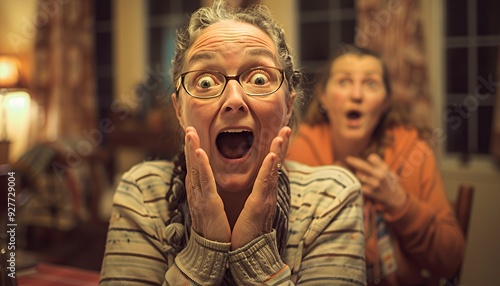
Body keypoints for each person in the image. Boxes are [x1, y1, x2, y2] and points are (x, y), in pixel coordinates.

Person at [99, 2, 366, 285]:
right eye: (205, 82)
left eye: (259, 78)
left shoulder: (330, 200)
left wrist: (256, 252)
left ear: (288, 106)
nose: (234, 100)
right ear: (179, 110)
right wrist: (203, 250)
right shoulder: (143, 194)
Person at [287, 45, 465, 285]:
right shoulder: (296, 148)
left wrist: (400, 203)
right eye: (344, 82)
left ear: (385, 103)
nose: (357, 94)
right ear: (324, 97)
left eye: (371, 84)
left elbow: (450, 259)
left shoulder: (413, 151)